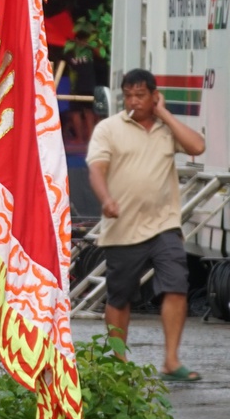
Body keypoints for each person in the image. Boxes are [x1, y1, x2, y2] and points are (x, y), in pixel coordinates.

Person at [88, 68, 207, 381]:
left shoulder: (167, 128)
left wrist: (164, 114)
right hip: (122, 228)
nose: (133, 101)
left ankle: (171, 360)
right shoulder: (108, 129)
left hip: (164, 226)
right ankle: (118, 360)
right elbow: (97, 170)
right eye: (128, 95)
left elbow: (197, 147)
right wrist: (106, 200)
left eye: (141, 95)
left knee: (177, 285)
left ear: (155, 96)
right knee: (119, 296)